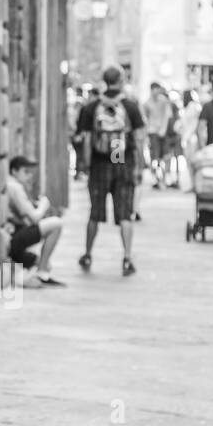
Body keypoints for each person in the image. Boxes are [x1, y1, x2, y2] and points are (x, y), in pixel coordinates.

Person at [76, 65, 146, 276]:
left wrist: (85, 165)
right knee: (125, 214)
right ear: (122, 80)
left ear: (105, 81)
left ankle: (88, 253)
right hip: (122, 162)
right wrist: (140, 167)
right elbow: (140, 139)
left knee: (95, 213)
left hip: (99, 164)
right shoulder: (131, 107)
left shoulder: (91, 107)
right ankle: (126, 257)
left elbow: (84, 138)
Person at [4, 155, 66, 287]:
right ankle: (40, 272)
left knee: (47, 265)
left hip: (16, 237)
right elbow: (34, 217)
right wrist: (44, 204)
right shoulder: (14, 186)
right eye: (25, 172)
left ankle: (40, 271)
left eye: (30, 173)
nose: (29, 176)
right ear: (14, 171)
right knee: (56, 223)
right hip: (13, 239)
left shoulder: (13, 185)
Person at [143, 82, 173, 189]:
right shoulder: (147, 103)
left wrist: (163, 129)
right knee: (154, 158)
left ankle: (164, 179)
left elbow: (168, 116)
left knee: (165, 157)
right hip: (152, 133)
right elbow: (145, 120)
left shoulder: (164, 101)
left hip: (163, 132)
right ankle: (156, 179)